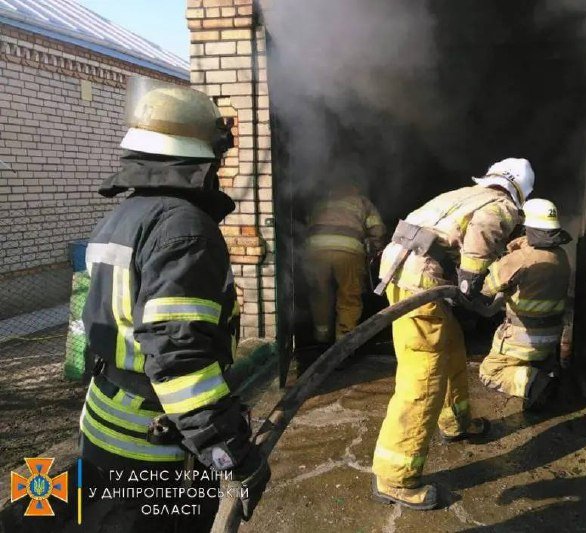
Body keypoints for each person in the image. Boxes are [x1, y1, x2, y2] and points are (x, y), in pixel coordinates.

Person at [78, 77, 268, 531]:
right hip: (154, 448)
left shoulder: (123, 217)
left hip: (103, 426)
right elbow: (181, 359)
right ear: (204, 156)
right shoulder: (184, 229)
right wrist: (232, 455)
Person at [371, 158, 534, 510]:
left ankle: (457, 421)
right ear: (519, 193)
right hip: (420, 282)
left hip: (399, 271)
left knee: (451, 346)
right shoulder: (500, 205)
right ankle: (395, 476)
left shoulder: (462, 194)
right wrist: (473, 280)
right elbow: (483, 235)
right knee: (424, 374)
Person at [478, 198, 572, 410]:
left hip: (522, 339)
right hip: (551, 337)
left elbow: (485, 289)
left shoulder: (520, 259)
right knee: (531, 364)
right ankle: (542, 375)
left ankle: (538, 383)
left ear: (526, 228)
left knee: (490, 373)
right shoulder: (561, 256)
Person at [303, 179, 386, 346]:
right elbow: (377, 230)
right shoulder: (362, 202)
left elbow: (307, 223)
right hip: (349, 251)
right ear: (355, 188)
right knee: (349, 295)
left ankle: (321, 338)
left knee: (320, 292)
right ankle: (344, 344)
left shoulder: (321, 203)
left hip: (316, 250)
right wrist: (375, 248)